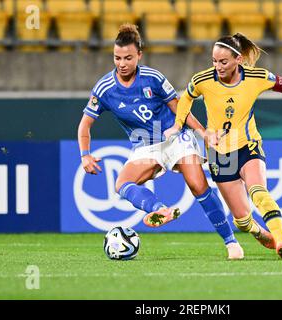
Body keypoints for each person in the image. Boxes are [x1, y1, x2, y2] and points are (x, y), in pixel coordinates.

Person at [165, 33, 282, 259]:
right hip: (219, 155)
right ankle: (258, 231)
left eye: (223, 62)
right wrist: (185, 127)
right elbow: (185, 98)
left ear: (238, 59)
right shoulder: (202, 80)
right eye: (214, 61)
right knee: (242, 220)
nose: (217, 66)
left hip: (248, 145)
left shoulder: (257, 77)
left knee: (258, 192)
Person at [77, 24, 257, 260]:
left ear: (139, 55)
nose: (122, 63)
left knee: (197, 184)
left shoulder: (152, 78)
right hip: (145, 145)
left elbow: (180, 108)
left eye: (128, 58)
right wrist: (85, 154)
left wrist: (203, 133)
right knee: (122, 183)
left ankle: (231, 242)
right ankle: (159, 209)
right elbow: (85, 125)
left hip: (174, 137)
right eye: (117, 57)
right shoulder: (104, 88)